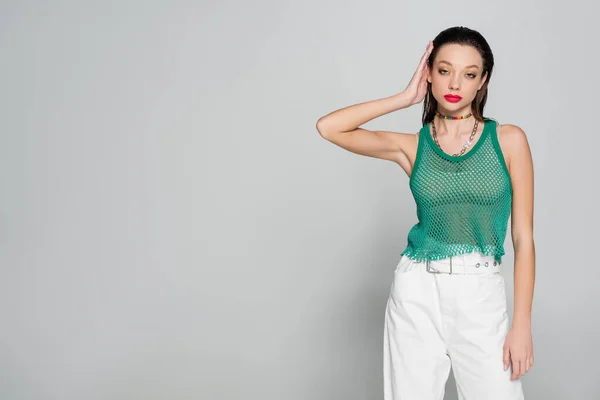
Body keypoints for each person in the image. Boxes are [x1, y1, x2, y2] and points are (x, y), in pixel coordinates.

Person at [315, 26, 535, 400]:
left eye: (469, 74)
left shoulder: (508, 140)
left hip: (479, 293)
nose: (455, 83)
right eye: (444, 70)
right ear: (428, 72)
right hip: (416, 290)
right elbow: (329, 127)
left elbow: (523, 238)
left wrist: (522, 325)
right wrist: (404, 97)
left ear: (483, 81)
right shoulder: (412, 147)